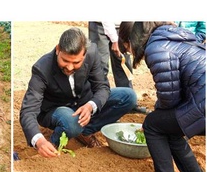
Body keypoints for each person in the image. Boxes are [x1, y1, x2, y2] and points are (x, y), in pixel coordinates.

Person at [118, 21, 207, 172]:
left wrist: (155, 115)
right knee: (169, 127)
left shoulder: (156, 49)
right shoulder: (170, 36)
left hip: (202, 105)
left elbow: (169, 97)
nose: (130, 53)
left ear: (132, 39)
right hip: (203, 100)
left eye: (128, 48)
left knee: (152, 125)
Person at [20, 27, 136, 156]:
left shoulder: (92, 53)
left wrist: (91, 105)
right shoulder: (42, 69)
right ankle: (53, 145)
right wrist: (39, 141)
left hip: (83, 102)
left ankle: (85, 132)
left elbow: (102, 87)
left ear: (85, 54)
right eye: (65, 61)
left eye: (76, 62)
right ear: (58, 50)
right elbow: (28, 111)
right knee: (71, 122)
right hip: (56, 109)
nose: (69, 67)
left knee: (128, 96)